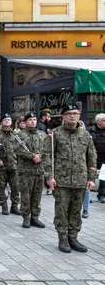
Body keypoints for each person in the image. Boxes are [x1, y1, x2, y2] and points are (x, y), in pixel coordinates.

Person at [45, 104, 97, 253]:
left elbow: (91, 157)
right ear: (63, 116)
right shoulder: (55, 134)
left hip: (80, 180)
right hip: (61, 181)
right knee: (61, 210)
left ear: (79, 115)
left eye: (75, 113)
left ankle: (73, 237)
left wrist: (91, 177)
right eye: (68, 113)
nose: (72, 116)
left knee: (75, 211)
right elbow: (47, 156)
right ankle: (62, 238)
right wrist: (49, 177)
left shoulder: (86, 135)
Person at [15, 112, 48, 229]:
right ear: (25, 122)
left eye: (34, 119)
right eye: (30, 120)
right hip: (25, 171)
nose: (33, 122)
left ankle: (35, 217)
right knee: (25, 195)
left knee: (37, 195)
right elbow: (18, 150)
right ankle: (26, 217)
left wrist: (40, 156)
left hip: (39, 170)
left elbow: (47, 149)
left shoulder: (42, 134)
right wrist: (32, 156)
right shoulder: (19, 135)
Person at [0, 113, 21, 216]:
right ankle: (4, 205)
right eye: (5, 119)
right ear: (1, 122)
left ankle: (14, 206)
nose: (7, 121)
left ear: (11, 122)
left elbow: (20, 149)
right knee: (1, 186)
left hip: (13, 164)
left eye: (9, 119)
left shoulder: (16, 135)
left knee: (15, 186)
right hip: (2, 165)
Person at [89, 113, 105, 203]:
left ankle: (101, 195)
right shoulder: (90, 130)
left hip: (104, 158)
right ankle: (88, 195)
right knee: (91, 176)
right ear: (98, 121)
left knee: (103, 177)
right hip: (93, 157)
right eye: (104, 120)